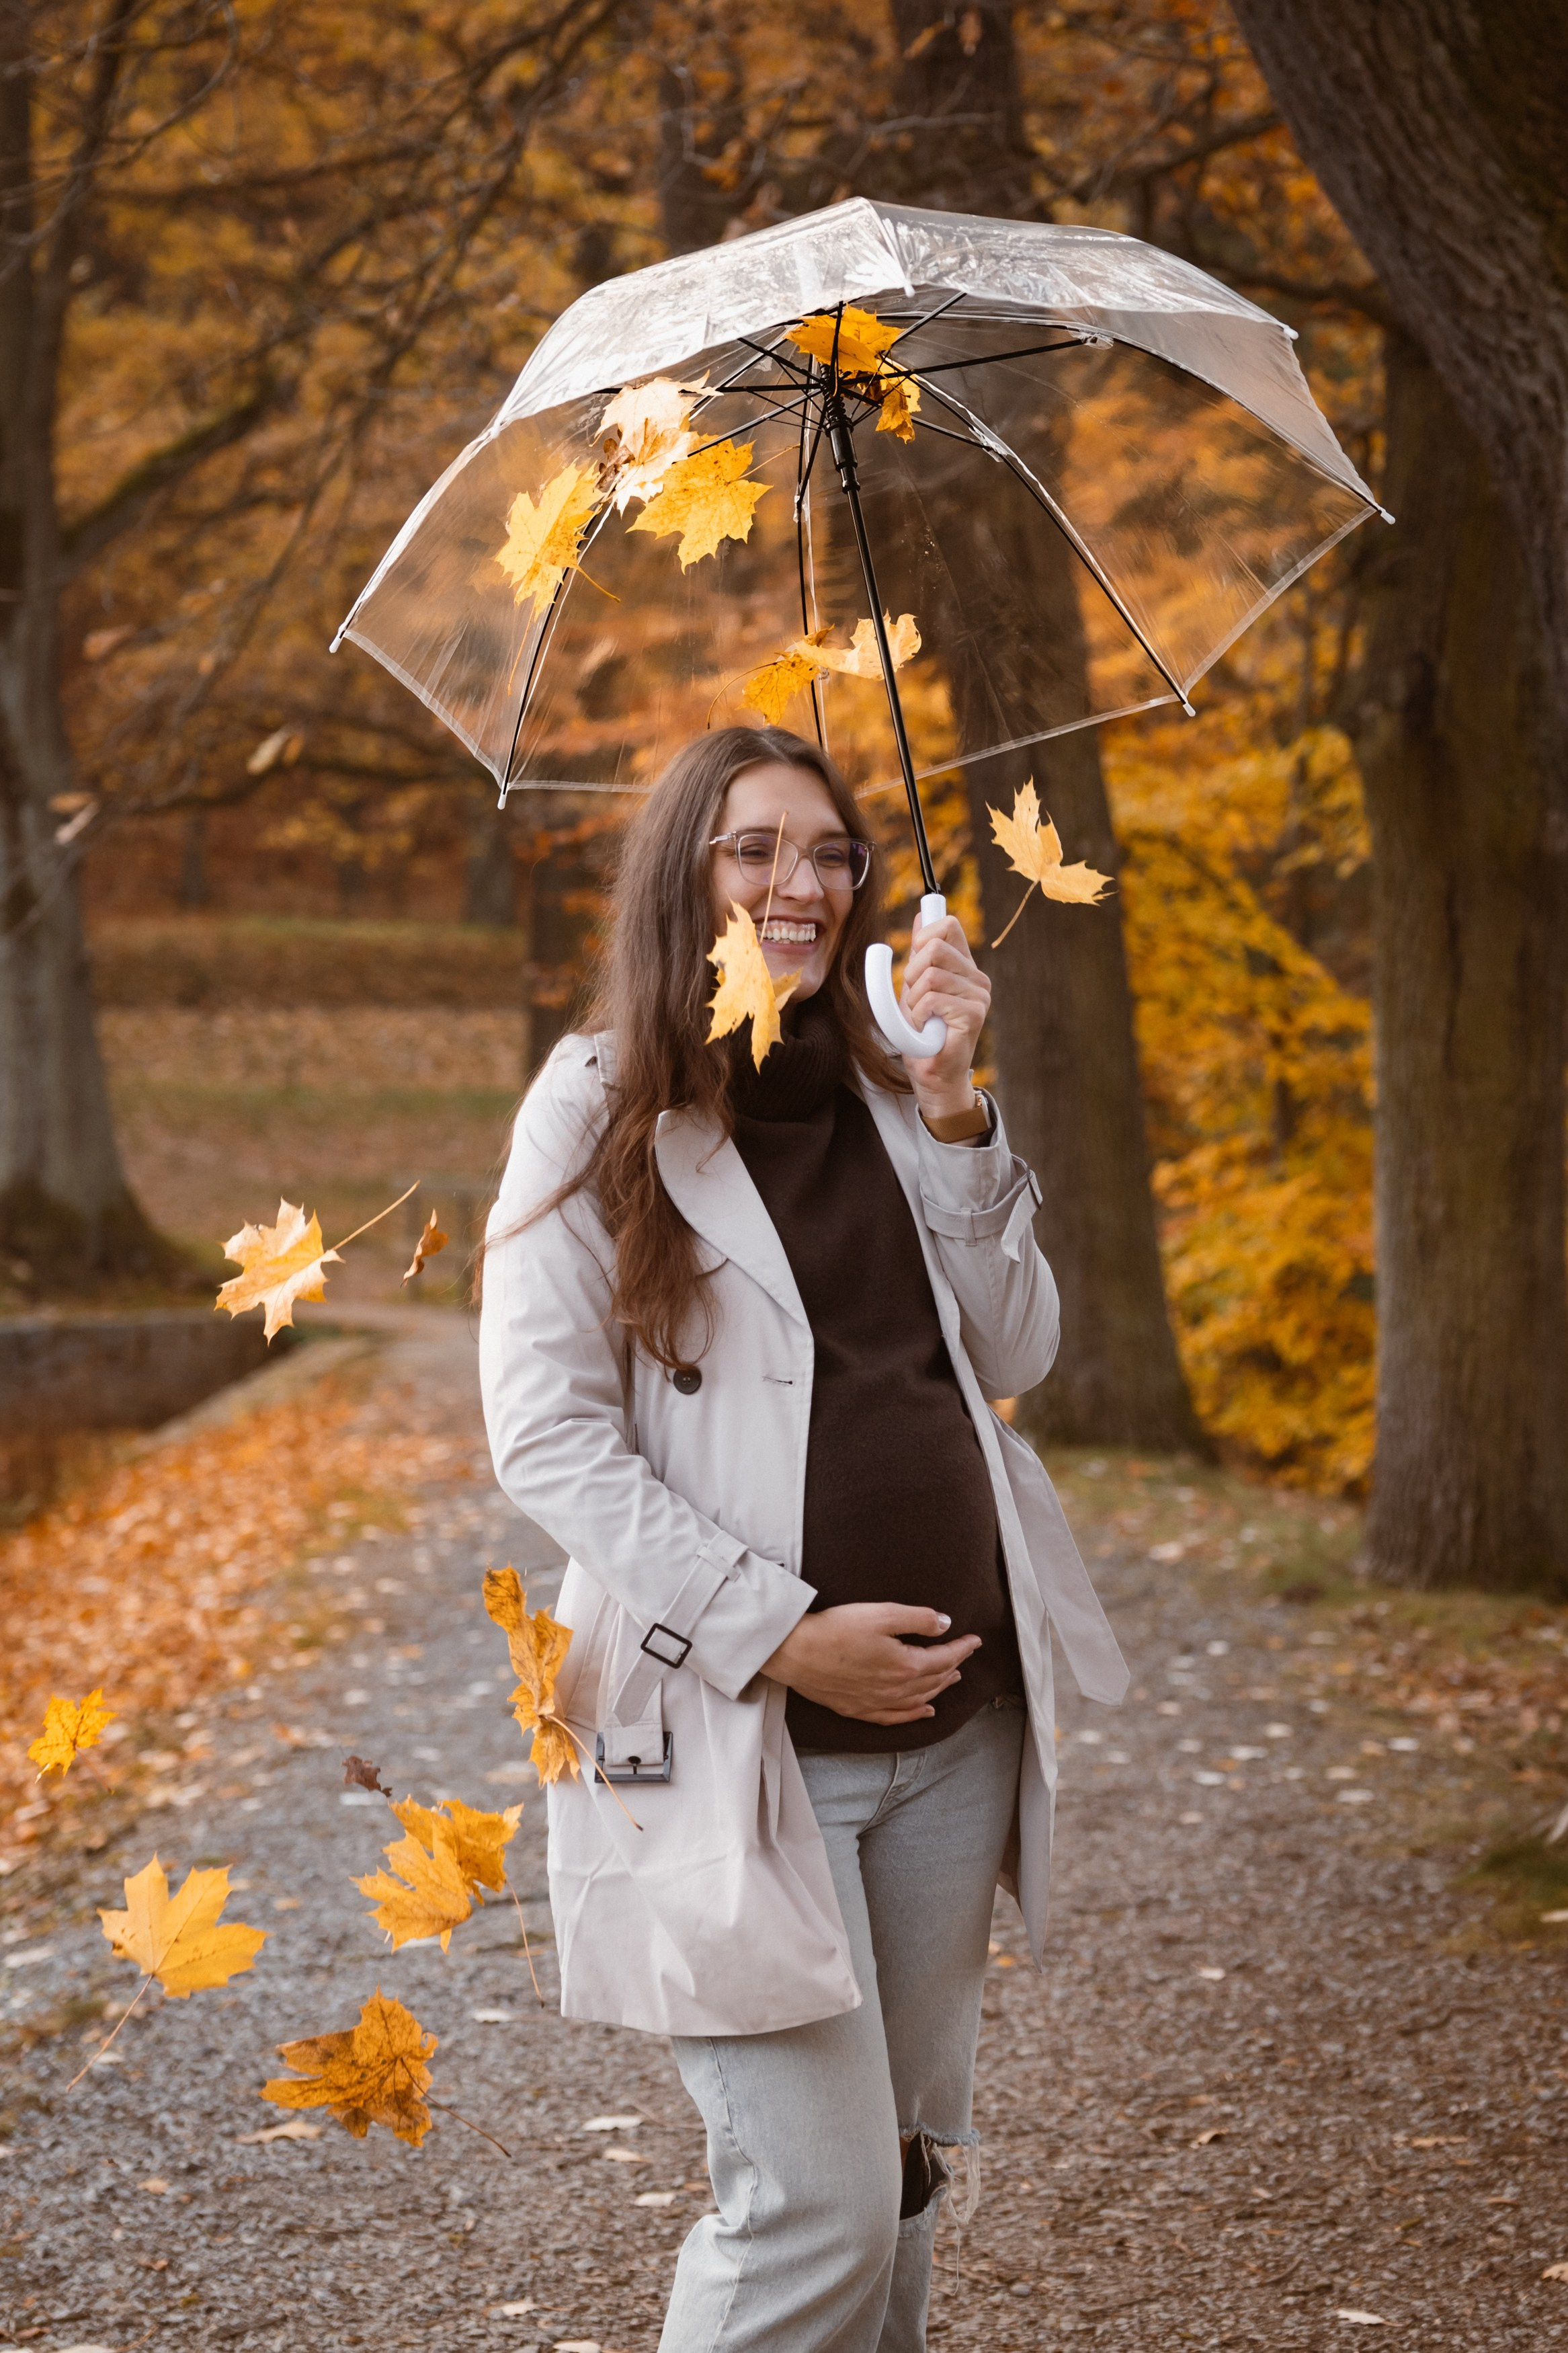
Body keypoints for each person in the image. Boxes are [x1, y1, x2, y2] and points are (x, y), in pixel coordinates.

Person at [479, 725, 1126, 2353]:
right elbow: (547, 1433)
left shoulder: (889, 1080)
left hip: (952, 1730)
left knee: (896, 2181)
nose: (804, 882)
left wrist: (959, 1104)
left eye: (831, 851)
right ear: (683, 874)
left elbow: (1018, 1350)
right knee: (809, 2208)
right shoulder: (598, 1103)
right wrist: (777, 1627)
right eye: (755, 848)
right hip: (734, 1736)